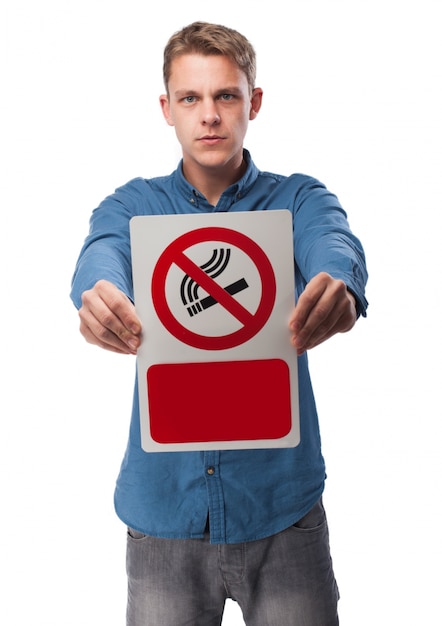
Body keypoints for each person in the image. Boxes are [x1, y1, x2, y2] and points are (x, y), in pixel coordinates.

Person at [70, 21, 368, 626]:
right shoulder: (133, 205)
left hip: (284, 513)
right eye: (191, 98)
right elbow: (102, 251)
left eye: (226, 96)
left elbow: (332, 240)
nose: (209, 115)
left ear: (253, 102)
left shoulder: (298, 198)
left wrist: (339, 283)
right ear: (167, 109)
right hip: (163, 518)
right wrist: (98, 292)